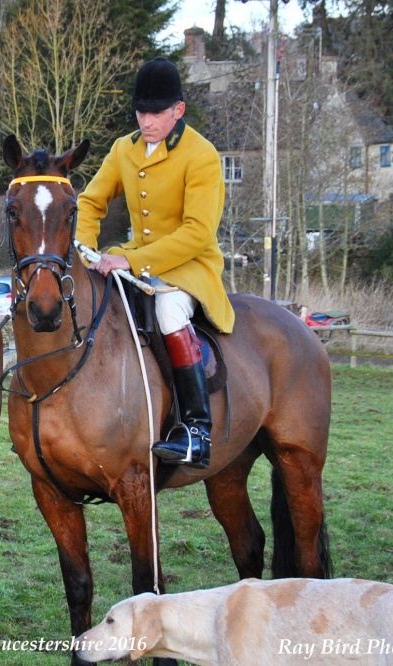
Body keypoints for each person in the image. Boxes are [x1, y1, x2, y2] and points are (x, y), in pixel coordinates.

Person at [74, 56, 235, 470]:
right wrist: (85, 250)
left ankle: (197, 431)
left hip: (188, 266)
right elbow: (90, 202)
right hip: (133, 260)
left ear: (178, 110)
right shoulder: (123, 150)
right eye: (141, 112)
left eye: (157, 113)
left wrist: (129, 260)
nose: (147, 122)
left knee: (167, 311)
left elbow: (198, 233)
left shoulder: (202, 155)